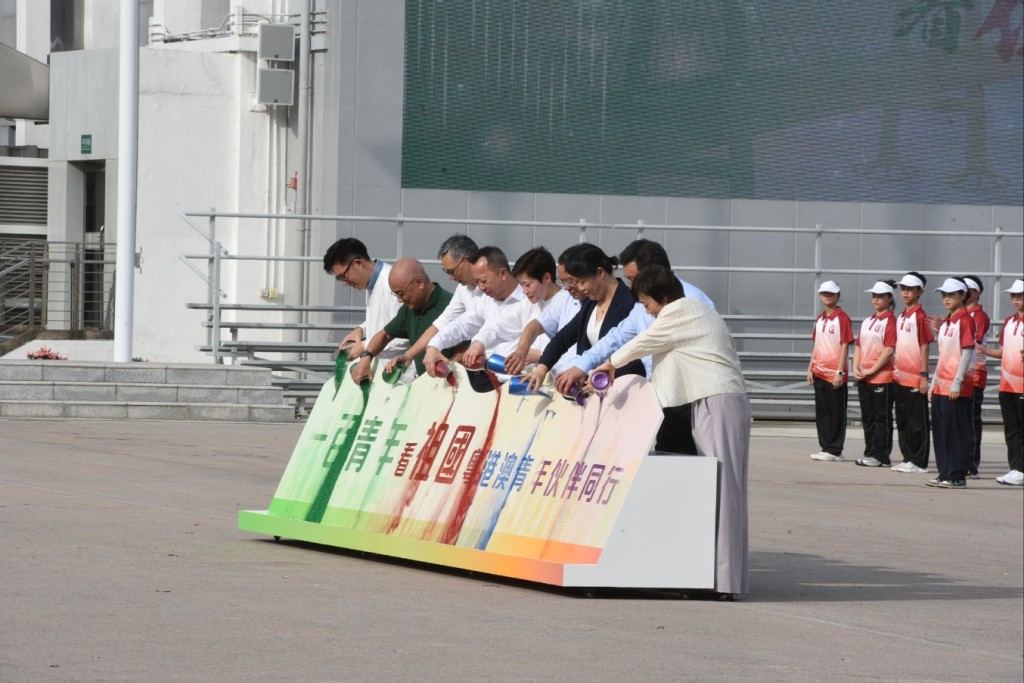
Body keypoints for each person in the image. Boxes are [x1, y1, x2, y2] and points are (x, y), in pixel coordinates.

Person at [591, 265, 749, 596]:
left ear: (663, 296)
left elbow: (645, 341)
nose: (646, 311)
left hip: (717, 399)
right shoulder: (689, 312)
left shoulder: (683, 310)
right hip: (709, 401)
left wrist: (610, 363)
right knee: (715, 487)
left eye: (647, 304)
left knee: (723, 487)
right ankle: (717, 577)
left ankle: (722, 581)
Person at [524, 243, 645, 392]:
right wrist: (541, 369)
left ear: (600, 273)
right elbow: (563, 338)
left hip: (619, 390)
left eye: (581, 281)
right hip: (589, 389)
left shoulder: (630, 304)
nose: (579, 288)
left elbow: (635, 356)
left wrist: (599, 378)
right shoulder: (591, 303)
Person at [423, 246, 536, 389]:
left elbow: (498, 326)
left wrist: (479, 342)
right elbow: (462, 324)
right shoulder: (487, 300)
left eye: (483, 280)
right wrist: (434, 345)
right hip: (491, 379)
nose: (480, 287)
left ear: (503, 273)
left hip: (525, 383)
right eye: (477, 282)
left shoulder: (530, 299)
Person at [348, 258, 457, 384]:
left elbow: (463, 352)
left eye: (401, 293)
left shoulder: (451, 306)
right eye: (396, 295)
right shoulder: (410, 309)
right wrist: (366, 357)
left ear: (419, 283)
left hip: (451, 385)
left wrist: (440, 372)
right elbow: (385, 334)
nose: (400, 300)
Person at [386, 234, 480, 373]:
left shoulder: (494, 288)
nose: (451, 277)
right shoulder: (463, 289)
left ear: (466, 261)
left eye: (451, 271)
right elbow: (441, 324)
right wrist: (409, 355)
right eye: (446, 272)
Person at [926, 278, 977, 489]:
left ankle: (957, 475)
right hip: (941, 386)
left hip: (958, 387)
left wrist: (957, 381)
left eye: (952, 295)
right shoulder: (947, 322)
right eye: (944, 295)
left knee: (956, 431)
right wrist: (933, 383)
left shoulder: (965, 319)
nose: (947, 299)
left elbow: (967, 352)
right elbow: (943, 356)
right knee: (941, 431)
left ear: (963, 296)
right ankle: (944, 472)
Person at [322, 237, 407, 362]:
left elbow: (404, 335)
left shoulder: (392, 283)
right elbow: (385, 321)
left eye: (343, 276)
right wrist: (361, 330)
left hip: (402, 372)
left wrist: (365, 346)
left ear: (358, 263)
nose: (344, 283)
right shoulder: (372, 284)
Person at [504, 246, 584, 375]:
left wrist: (540, 356)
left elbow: (573, 349)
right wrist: (521, 351)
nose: (524, 291)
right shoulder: (532, 303)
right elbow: (534, 326)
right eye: (522, 285)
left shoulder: (569, 299)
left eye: (527, 284)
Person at [979, 279, 1024, 486]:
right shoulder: (1009, 321)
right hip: (1007, 385)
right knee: (1012, 428)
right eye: (1013, 295)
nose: (1015, 299)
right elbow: (1005, 351)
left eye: (1020, 295)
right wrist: (985, 350)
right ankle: (1016, 468)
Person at [890, 272, 935, 474]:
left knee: (917, 421)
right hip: (900, 377)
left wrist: (924, 375)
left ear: (920, 292)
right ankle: (908, 457)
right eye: (903, 289)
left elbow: (925, 346)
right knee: (903, 419)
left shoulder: (920, 316)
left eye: (910, 289)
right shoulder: (901, 317)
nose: (906, 293)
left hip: (916, 378)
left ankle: (919, 461)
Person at [853, 281, 898, 467]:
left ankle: (882, 455)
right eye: (874, 296)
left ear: (889, 298)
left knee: (881, 417)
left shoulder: (891, 321)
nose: (876, 299)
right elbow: (858, 346)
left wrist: (872, 369)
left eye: (880, 296)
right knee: (868, 417)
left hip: (882, 377)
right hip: (864, 377)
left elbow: (889, 349)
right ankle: (870, 452)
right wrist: (856, 367)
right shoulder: (868, 321)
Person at [807, 281, 853, 462]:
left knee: (836, 412)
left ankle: (835, 449)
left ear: (838, 296)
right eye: (824, 293)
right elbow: (816, 345)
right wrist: (810, 367)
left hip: (834, 374)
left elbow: (845, 345)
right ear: (820, 296)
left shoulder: (842, 318)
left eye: (831, 293)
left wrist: (840, 372)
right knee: (823, 412)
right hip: (818, 371)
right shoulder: (820, 319)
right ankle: (825, 447)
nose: (827, 296)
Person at [961, 275, 991, 479]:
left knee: (971, 421)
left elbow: (974, 341)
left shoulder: (978, 316)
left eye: (968, 290)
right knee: (962, 421)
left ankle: (971, 464)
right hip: (962, 373)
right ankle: (963, 461)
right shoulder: (961, 315)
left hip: (975, 374)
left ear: (977, 293)